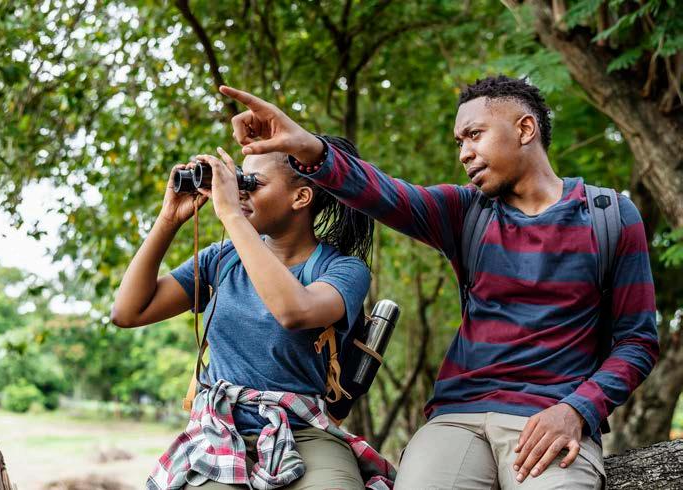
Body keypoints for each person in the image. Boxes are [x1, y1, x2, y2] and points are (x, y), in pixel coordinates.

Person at [218, 75, 659, 489]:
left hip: (550, 417)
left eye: (475, 135)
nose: (464, 153)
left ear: (525, 129)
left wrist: (577, 410)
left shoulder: (608, 217)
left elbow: (637, 342)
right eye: (459, 142)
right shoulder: (465, 212)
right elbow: (383, 193)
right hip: (458, 418)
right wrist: (307, 148)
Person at [110, 136, 395, 489]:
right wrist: (169, 218)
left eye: (251, 183)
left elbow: (294, 311)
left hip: (304, 431)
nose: (240, 192)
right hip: (220, 429)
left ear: (301, 197)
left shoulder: (344, 271)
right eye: (238, 181)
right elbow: (128, 312)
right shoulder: (221, 260)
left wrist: (231, 214)